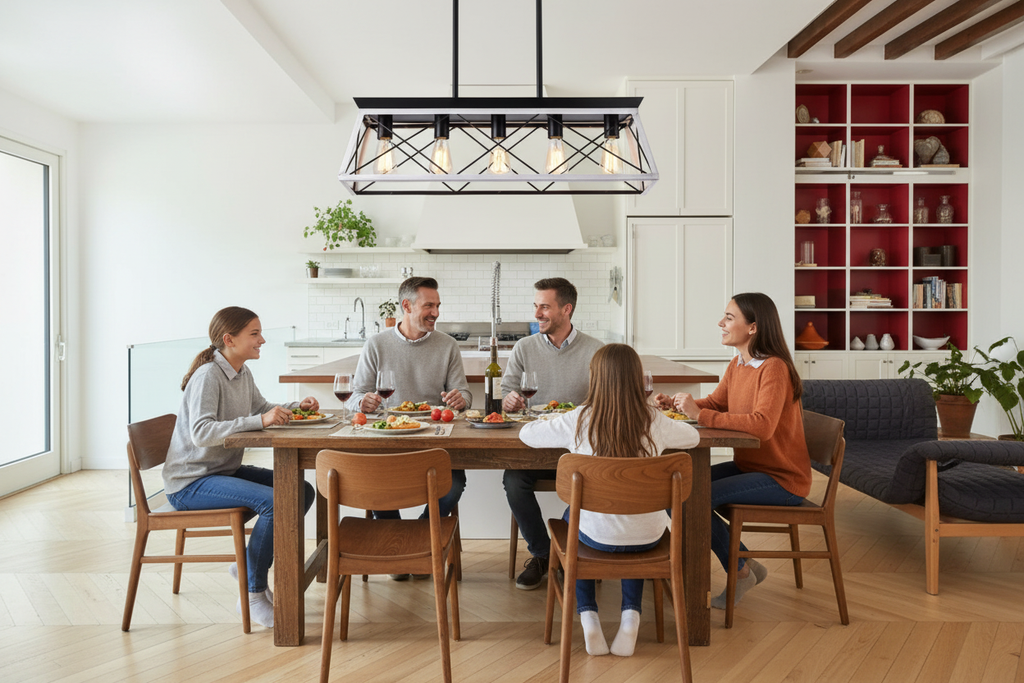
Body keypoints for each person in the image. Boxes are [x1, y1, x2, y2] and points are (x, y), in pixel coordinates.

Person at [519, 344, 699, 657]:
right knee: (633, 525)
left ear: (595, 379)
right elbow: (693, 438)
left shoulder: (578, 419)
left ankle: (588, 616)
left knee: (570, 518)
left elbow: (528, 435)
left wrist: (558, 420)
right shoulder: (653, 420)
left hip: (594, 539)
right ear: (636, 380)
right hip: (650, 538)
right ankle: (631, 617)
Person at [162, 306, 317, 629]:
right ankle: (254, 591)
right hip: (190, 482)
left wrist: (293, 408)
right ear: (229, 339)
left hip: (222, 472)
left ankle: (249, 563)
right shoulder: (209, 376)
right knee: (277, 502)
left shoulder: (241, 372)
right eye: (255, 333)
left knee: (300, 490)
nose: (262, 339)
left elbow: (261, 408)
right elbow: (201, 432)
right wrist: (261, 421)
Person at [655, 292, 811, 609]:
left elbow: (763, 425)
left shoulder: (774, 368)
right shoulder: (739, 364)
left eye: (729, 317)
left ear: (752, 327)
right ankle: (744, 565)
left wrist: (699, 415)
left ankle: (739, 572)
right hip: (751, 468)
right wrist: (679, 405)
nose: (720, 323)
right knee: (677, 490)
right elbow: (714, 403)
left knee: (692, 499)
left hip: (782, 478)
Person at [348, 276, 471, 576]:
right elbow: (355, 395)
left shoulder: (447, 345)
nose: (436, 313)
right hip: (388, 440)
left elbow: (464, 394)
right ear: (406, 306)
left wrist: (459, 399)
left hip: (434, 439)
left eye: (438, 306)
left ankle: (409, 543)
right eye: (429, 305)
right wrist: (362, 402)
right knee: (376, 483)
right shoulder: (376, 344)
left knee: (454, 484)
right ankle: (405, 549)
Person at [501, 277, 604, 590]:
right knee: (513, 480)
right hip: (536, 445)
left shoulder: (596, 351)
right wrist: (510, 400)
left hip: (580, 449)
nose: (537, 313)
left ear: (566, 309)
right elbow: (507, 392)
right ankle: (544, 554)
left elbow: (605, 400)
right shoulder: (524, 348)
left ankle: (574, 550)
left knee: (596, 481)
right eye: (536, 306)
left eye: (544, 306)